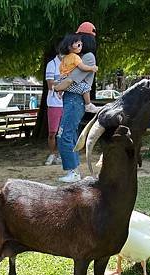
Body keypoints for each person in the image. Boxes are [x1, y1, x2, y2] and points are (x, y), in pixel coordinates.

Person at [56, 21, 97, 183]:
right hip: (70, 100)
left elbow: (70, 81)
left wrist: (57, 87)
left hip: (75, 101)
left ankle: (73, 172)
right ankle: (74, 171)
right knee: (69, 134)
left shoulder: (87, 57)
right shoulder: (77, 58)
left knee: (64, 135)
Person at [53, 34, 99, 113]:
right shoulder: (75, 57)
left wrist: (60, 86)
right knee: (86, 87)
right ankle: (88, 105)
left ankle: (60, 94)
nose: (80, 46)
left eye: (81, 44)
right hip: (68, 85)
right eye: (78, 44)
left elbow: (61, 69)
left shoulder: (65, 58)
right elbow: (82, 67)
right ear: (70, 46)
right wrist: (92, 68)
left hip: (63, 79)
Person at [44, 52, 63, 166]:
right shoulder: (52, 64)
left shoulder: (71, 63)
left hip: (67, 102)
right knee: (52, 132)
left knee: (63, 132)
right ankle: (52, 153)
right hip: (54, 103)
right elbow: (50, 85)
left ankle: (61, 155)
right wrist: (65, 82)